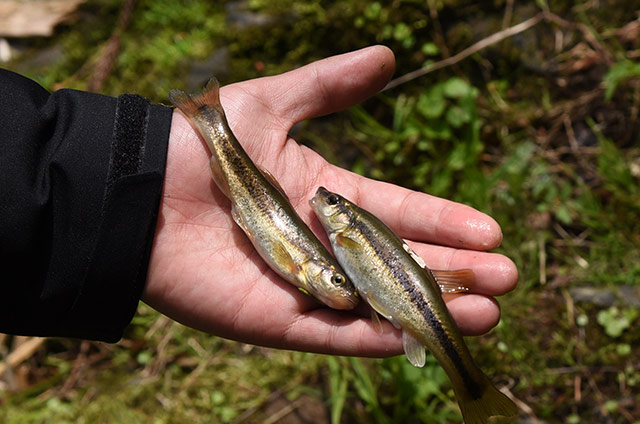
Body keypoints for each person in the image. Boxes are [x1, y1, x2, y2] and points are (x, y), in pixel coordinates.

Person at [0, 46, 518, 357]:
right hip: (250, 195)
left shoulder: (326, 255)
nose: (342, 287)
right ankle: (209, 121)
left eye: (340, 280)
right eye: (337, 279)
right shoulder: (311, 258)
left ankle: (206, 121)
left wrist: (112, 182)